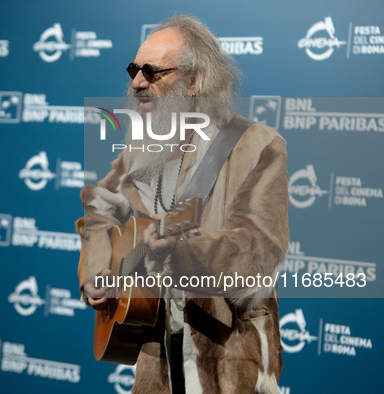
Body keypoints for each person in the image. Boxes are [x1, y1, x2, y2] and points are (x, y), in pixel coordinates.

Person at [76, 15, 289, 394]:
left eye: (153, 72)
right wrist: (96, 271)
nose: (137, 82)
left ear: (195, 82)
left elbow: (257, 255)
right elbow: (98, 212)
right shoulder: (139, 150)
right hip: (155, 358)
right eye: (133, 69)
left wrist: (185, 251)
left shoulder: (256, 146)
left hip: (228, 360)